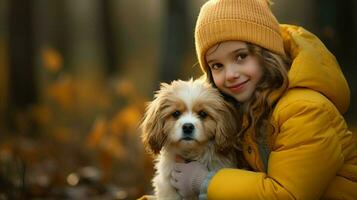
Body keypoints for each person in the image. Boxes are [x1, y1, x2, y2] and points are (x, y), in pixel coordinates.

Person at [169, 0, 357, 199]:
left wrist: (204, 181)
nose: (230, 74)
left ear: (266, 54)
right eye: (217, 65)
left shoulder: (305, 110)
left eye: (240, 57)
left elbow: (287, 195)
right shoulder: (234, 107)